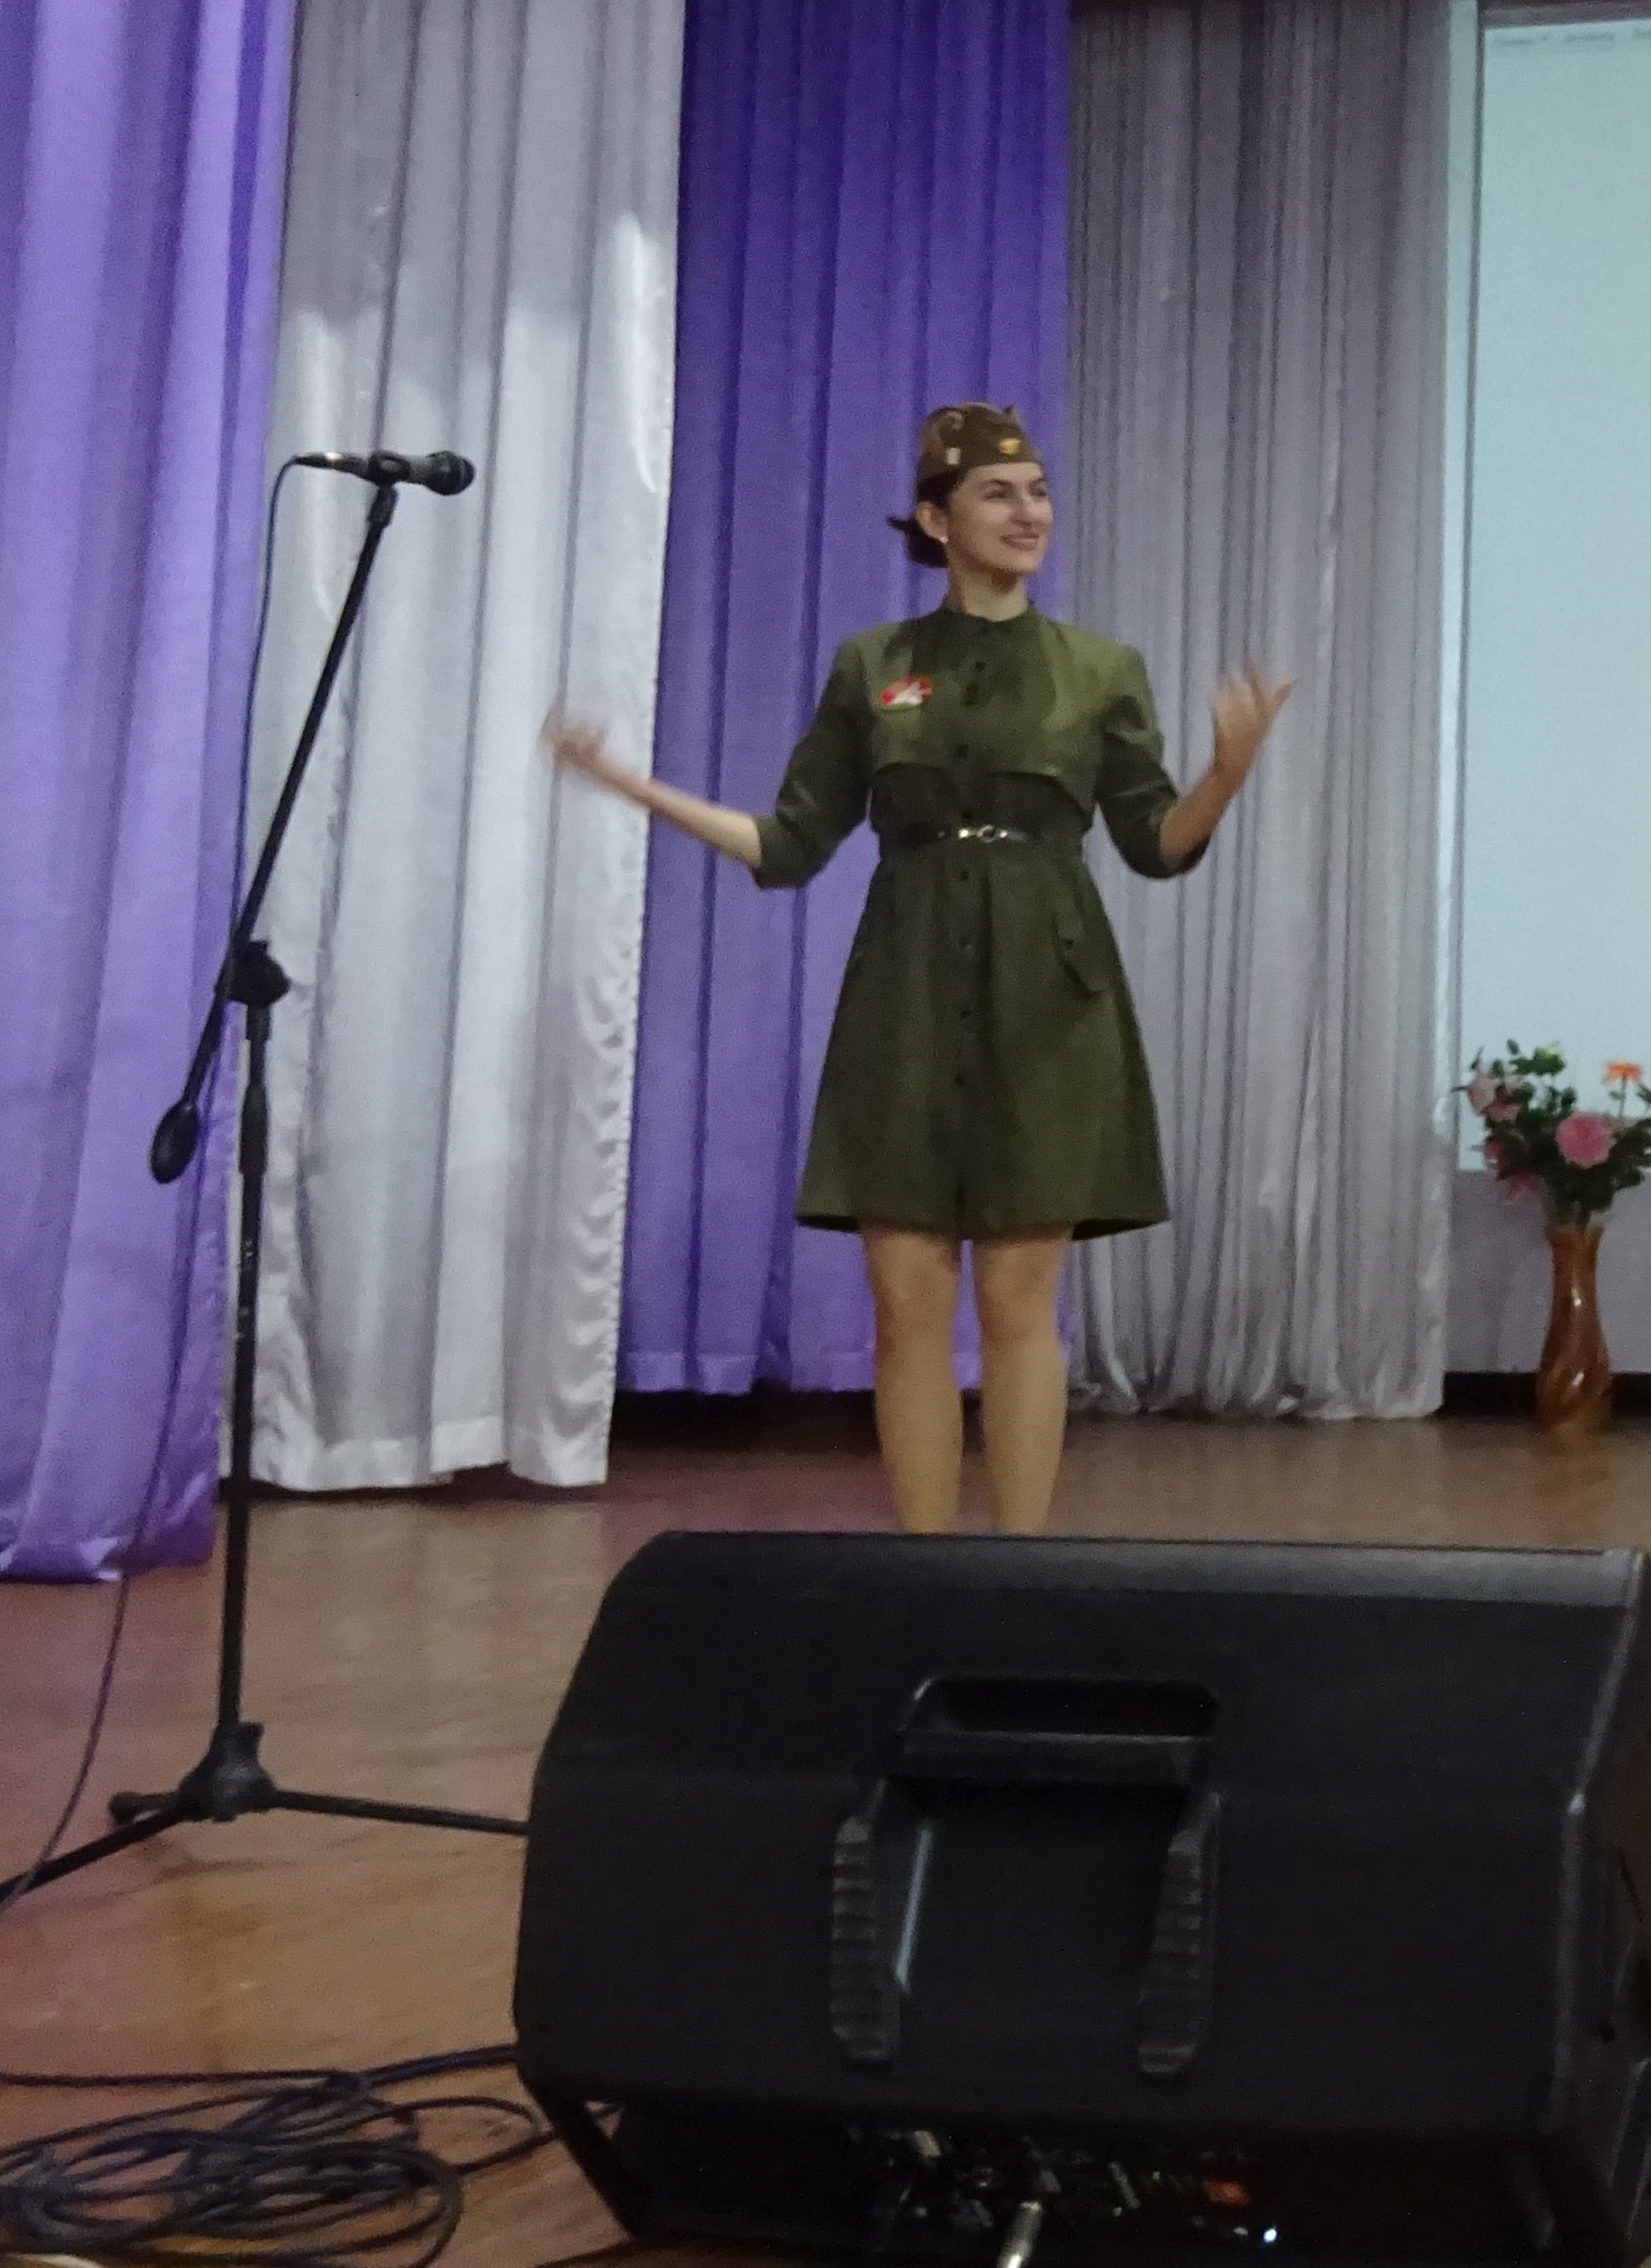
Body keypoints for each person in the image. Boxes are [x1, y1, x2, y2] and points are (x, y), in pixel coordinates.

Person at [551, 402, 1290, 1534]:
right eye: (999, 494)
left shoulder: (1101, 670)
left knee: (1019, 1303)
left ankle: (1019, 1567)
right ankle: (927, 1570)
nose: (1029, 512)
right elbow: (791, 843)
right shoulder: (874, 666)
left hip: (1050, 999)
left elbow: (1155, 844)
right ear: (937, 521)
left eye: (1038, 492)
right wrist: (633, 786)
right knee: (905, 1304)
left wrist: (1226, 774)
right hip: (905, 996)